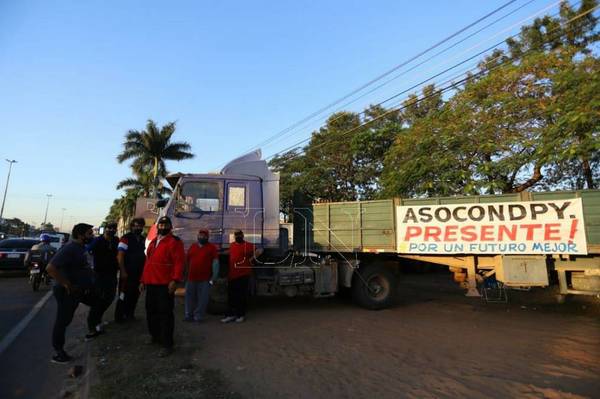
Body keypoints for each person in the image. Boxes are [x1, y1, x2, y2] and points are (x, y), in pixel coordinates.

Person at [46, 223, 95, 364]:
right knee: (62, 321)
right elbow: (50, 268)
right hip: (66, 291)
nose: (92, 236)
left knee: (97, 301)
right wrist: (65, 283)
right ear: (80, 235)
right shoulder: (70, 248)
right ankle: (59, 353)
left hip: (79, 290)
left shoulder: (80, 248)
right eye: (89, 233)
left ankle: (94, 327)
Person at [139, 216, 184, 357]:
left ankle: (167, 344)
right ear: (158, 226)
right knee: (151, 312)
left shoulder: (175, 242)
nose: (163, 227)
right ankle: (155, 337)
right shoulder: (153, 242)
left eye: (166, 225)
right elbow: (148, 263)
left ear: (170, 227)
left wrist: (175, 280)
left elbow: (179, 262)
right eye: (161, 225)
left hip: (165, 284)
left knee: (165, 314)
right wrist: (142, 280)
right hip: (151, 283)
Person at [85, 222, 120, 340]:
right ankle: (92, 327)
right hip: (99, 275)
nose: (111, 230)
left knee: (110, 297)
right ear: (104, 229)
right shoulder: (97, 241)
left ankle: (98, 319)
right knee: (98, 300)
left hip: (112, 274)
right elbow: (87, 252)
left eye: (113, 228)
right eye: (109, 228)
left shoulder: (116, 240)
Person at [221, 230, 262, 324]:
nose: (238, 236)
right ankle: (230, 315)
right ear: (235, 236)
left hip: (243, 274)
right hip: (232, 275)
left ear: (242, 235)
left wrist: (252, 258)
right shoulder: (232, 245)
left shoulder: (248, 245)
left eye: (239, 235)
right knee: (231, 296)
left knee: (241, 296)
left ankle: (240, 315)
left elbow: (260, 250)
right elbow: (228, 253)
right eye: (236, 235)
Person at [114, 218, 146, 322]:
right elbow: (120, 256)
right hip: (127, 274)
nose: (138, 228)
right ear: (131, 226)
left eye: (140, 226)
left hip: (138, 274)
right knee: (123, 295)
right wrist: (123, 271)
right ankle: (119, 317)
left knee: (135, 295)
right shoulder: (125, 238)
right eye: (136, 226)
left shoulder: (143, 239)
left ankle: (130, 314)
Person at [184, 229, 219, 322]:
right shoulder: (193, 246)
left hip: (204, 279)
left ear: (207, 237)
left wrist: (214, 277)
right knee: (189, 297)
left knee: (202, 299)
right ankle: (188, 315)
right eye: (200, 235)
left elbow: (215, 263)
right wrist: (185, 273)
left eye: (204, 236)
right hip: (191, 278)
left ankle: (198, 316)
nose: (202, 237)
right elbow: (187, 261)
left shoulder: (212, 248)